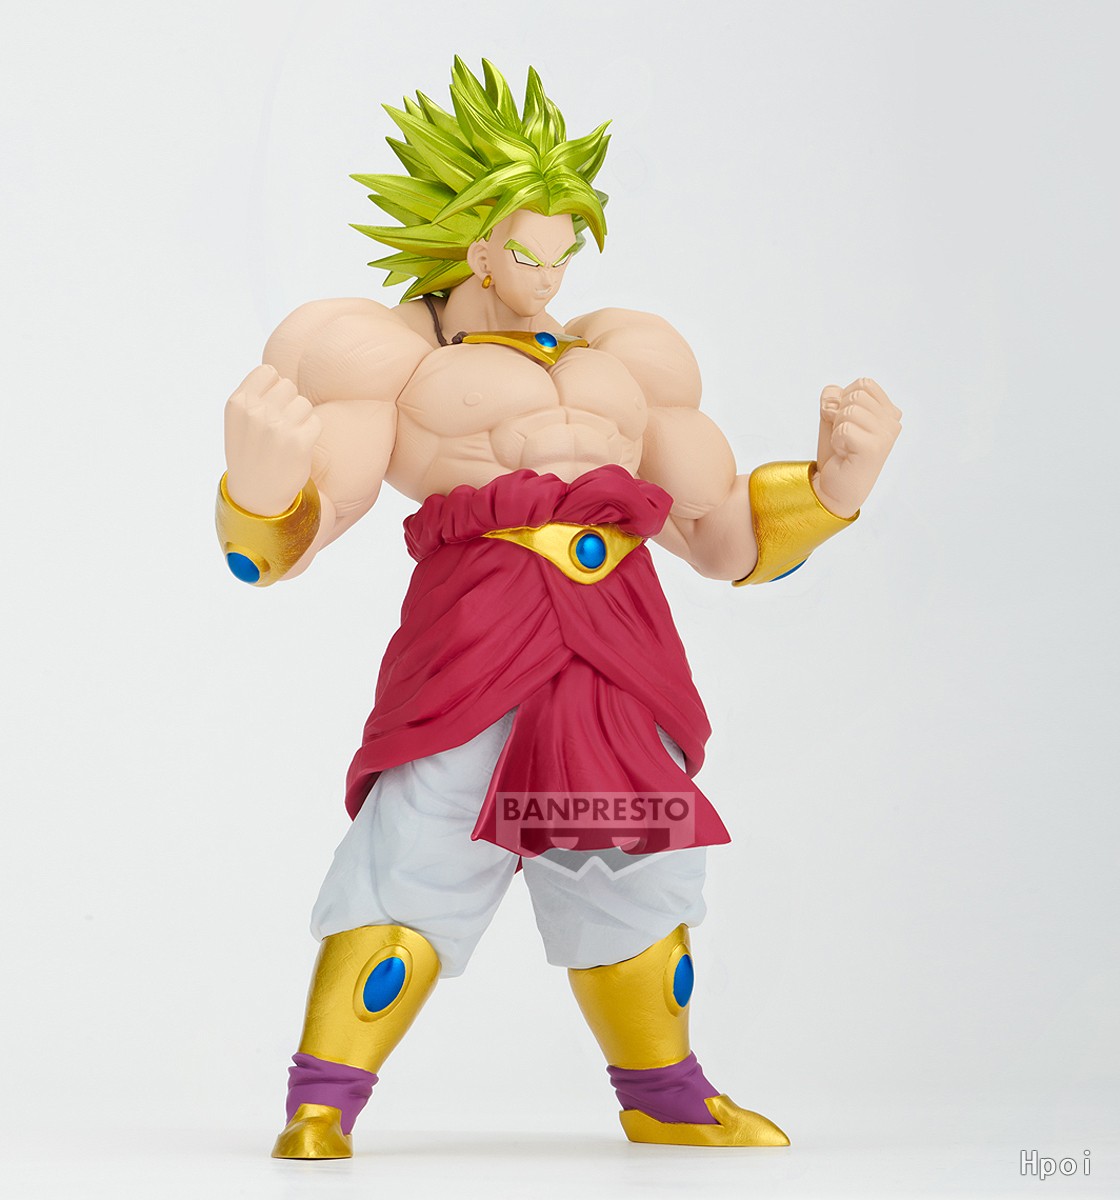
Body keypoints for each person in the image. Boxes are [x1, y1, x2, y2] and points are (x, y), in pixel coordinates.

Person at [215, 57, 901, 1160]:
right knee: (419, 842)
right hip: (479, 632)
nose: (550, 272)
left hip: (618, 637)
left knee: (640, 858)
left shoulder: (627, 355)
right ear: (473, 243)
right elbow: (292, 535)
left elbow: (719, 534)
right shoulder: (388, 355)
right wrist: (258, 491)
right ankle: (321, 1100)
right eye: (527, 250)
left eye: (565, 247)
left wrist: (831, 491)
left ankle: (666, 1096)